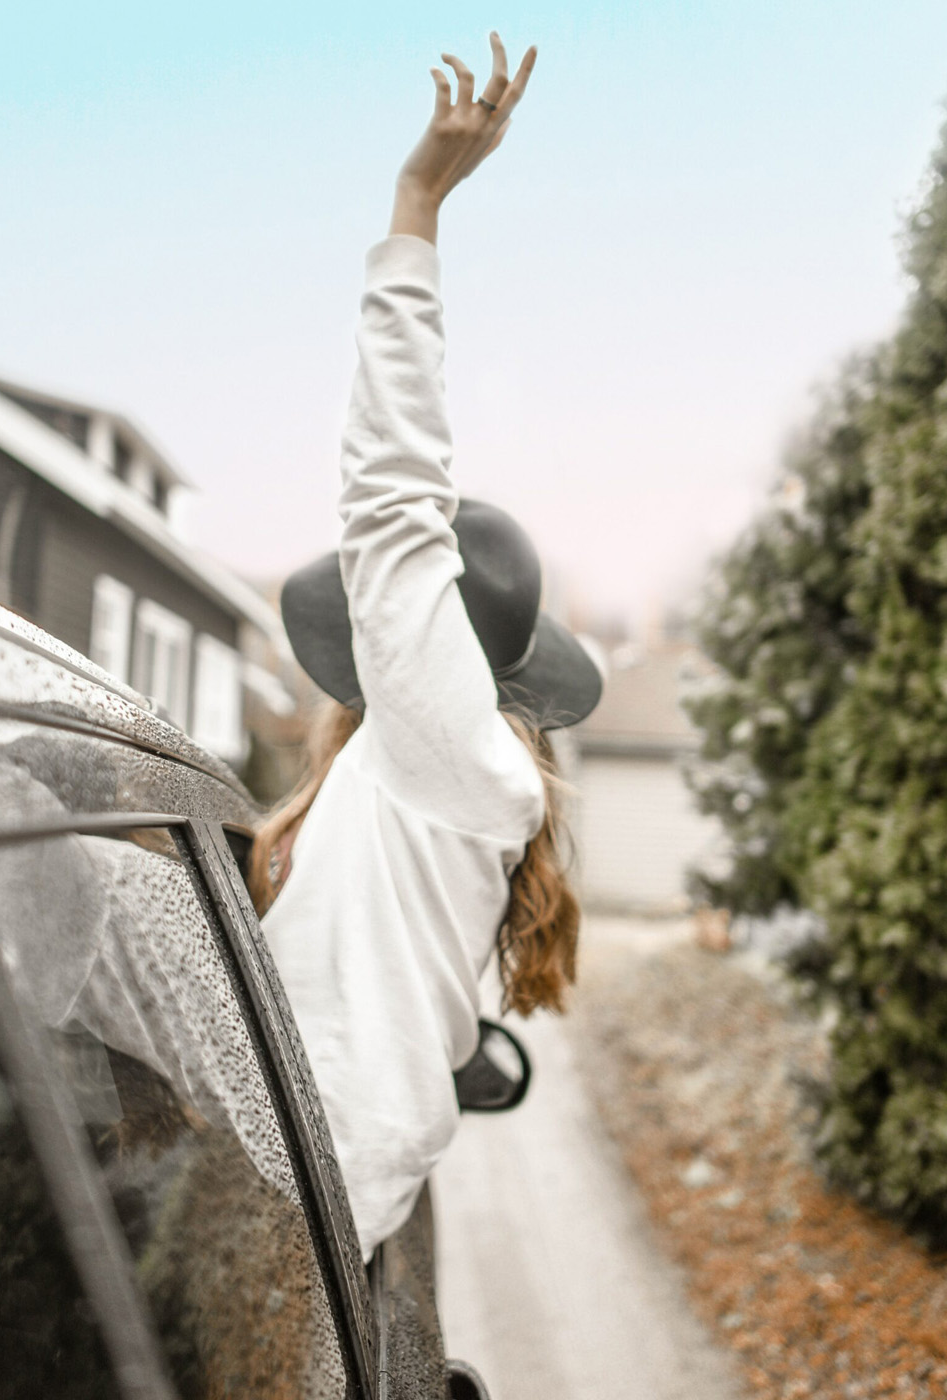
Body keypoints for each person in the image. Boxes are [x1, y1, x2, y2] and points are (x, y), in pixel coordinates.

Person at [249, 33, 603, 1264]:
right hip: (300, 1177)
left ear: (431, 653)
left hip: (296, 1198)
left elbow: (395, 496)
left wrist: (417, 208)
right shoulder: (424, 789)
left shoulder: (452, 760)